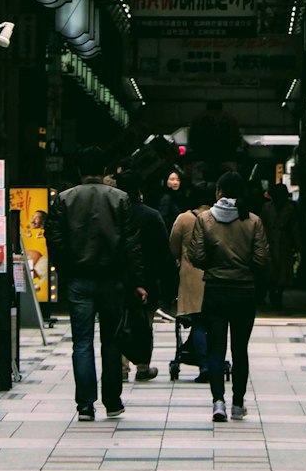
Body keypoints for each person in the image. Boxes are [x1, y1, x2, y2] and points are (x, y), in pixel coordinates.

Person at [47, 148, 146, 422]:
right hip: (112, 279)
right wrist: (137, 281)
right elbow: (131, 244)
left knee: (82, 342)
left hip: (79, 278)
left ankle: (85, 405)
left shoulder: (64, 199)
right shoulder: (120, 199)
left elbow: (54, 239)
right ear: (105, 170)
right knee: (111, 341)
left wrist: (66, 270)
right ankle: (112, 401)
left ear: (79, 170)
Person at [187, 170, 270, 423]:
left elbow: (197, 256)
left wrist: (214, 265)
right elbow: (261, 258)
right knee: (240, 349)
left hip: (215, 289)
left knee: (216, 348)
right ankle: (238, 403)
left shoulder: (204, 220)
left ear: (219, 192)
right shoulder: (253, 220)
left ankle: (217, 402)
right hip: (244, 291)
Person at [114, 168, 174, 382]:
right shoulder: (151, 215)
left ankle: (121, 366)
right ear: (139, 189)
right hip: (147, 278)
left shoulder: (113, 214)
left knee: (119, 322)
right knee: (144, 322)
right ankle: (142, 365)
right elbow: (164, 252)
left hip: (116, 277)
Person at [169, 181, 213, 381]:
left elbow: (173, 248)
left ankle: (203, 365)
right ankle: (212, 362)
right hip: (215, 275)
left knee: (198, 321)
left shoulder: (184, 219)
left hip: (191, 276)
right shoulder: (218, 218)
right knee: (213, 323)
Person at [259, 182, 301, 311]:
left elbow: (294, 227)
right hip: (269, 242)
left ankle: (278, 295)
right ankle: (271, 292)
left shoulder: (290, 208)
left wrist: (297, 244)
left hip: (284, 243)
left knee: (282, 273)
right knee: (269, 272)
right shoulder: (266, 207)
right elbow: (261, 226)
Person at [157, 169, 186, 234]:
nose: (175, 182)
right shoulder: (166, 198)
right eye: (172, 179)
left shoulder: (179, 196)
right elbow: (162, 218)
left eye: (178, 180)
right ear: (166, 182)